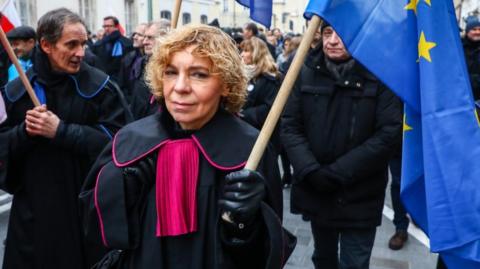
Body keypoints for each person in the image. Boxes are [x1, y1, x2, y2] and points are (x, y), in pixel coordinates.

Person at [80, 24, 295, 269]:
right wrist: (121, 192)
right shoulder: (130, 140)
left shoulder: (250, 150)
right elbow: (94, 229)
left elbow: (265, 256)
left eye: (199, 74)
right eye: (171, 72)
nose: (180, 87)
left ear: (226, 84)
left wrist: (245, 226)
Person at [0, 8, 128, 269]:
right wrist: (24, 132)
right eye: (71, 44)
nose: (81, 52)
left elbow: (121, 143)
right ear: (46, 45)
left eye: (82, 43)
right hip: (32, 214)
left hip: (84, 210)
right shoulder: (16, 92)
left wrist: (62, 131)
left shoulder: (101, 87)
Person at [281, 24, 402, 269]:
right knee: (322, 257)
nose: (333, 41)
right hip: (318, 190)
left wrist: (337, 173)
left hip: (360, 195)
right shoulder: (304, 71)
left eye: (341, 34)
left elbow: (388, 134)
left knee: (354, 263)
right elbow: (289, 125)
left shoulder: (380, 75)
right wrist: (310, 170)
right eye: (327, 33)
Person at [129, 20, 170, 120]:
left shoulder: (172, 67)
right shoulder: (141, 64)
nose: (144, 42)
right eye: (145, 37)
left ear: (165, 38)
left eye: (150, 38)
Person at [117, 22, 147, 100]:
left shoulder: (153, 61)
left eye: (139, 35)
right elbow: (121, 84)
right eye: (134, 34)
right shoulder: (128, 58)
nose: (135, 37)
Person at [462, 16, 480, 105]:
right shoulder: (458, 47)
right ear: (467, 31)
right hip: (461, 95)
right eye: (474, 29)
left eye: (479, 29)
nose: (477, 32)